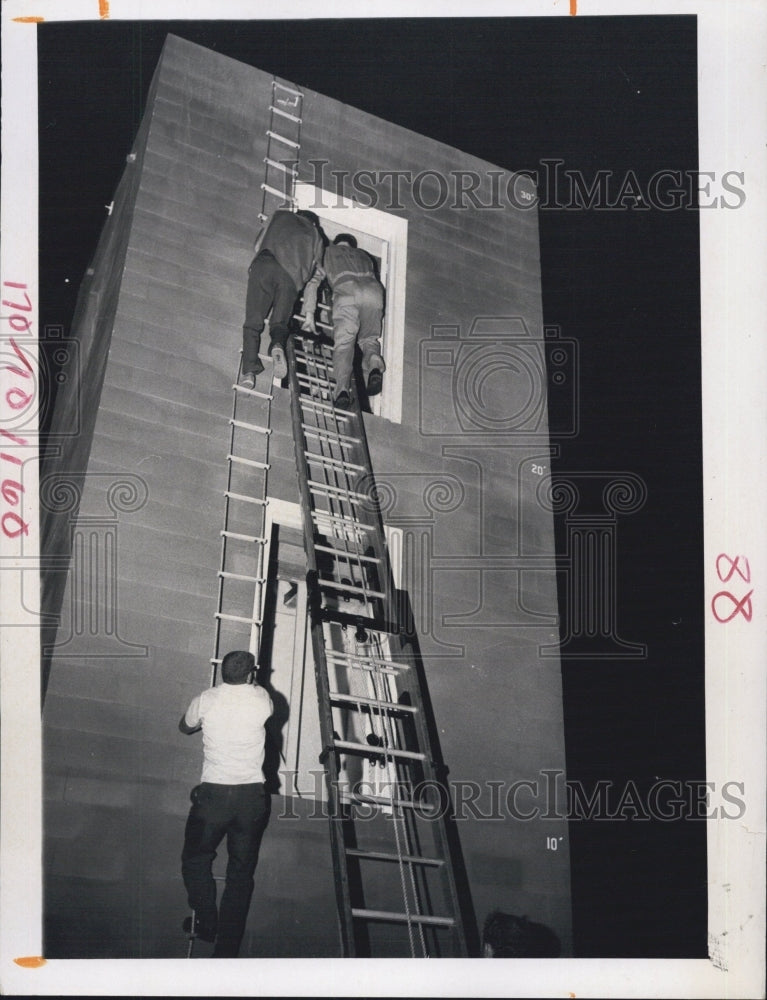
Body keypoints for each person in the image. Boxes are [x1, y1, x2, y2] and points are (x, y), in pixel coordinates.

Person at [180, 650, 273, 957]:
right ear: (251, 675)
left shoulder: (206, 699)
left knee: (195, 859)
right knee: (241, 874)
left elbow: (185, 727)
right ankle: (226, 949)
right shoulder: (262, 700)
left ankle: (207, 921)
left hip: (214, 797)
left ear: (221, 672)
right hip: (250, 799)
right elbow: (258, 691)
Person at [300, 233, 385, 408]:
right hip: (374, 294)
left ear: (336, 242)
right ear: (352, 245)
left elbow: (313, 283)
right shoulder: (364, 255)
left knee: (344, 344)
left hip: (346, 293)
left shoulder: (327, 252)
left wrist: (309, 313)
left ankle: (342, 391)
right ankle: (375, 364)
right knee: (369, 338)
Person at [241, 208, 324, 387]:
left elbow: (257, 244)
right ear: (314, 223)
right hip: (290, 277)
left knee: (253, 321)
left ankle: (248, 371)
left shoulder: (280, 215)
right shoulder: (315, 235)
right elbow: (314, 272)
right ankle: (277, 344)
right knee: (279, 322)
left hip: (265, 264)